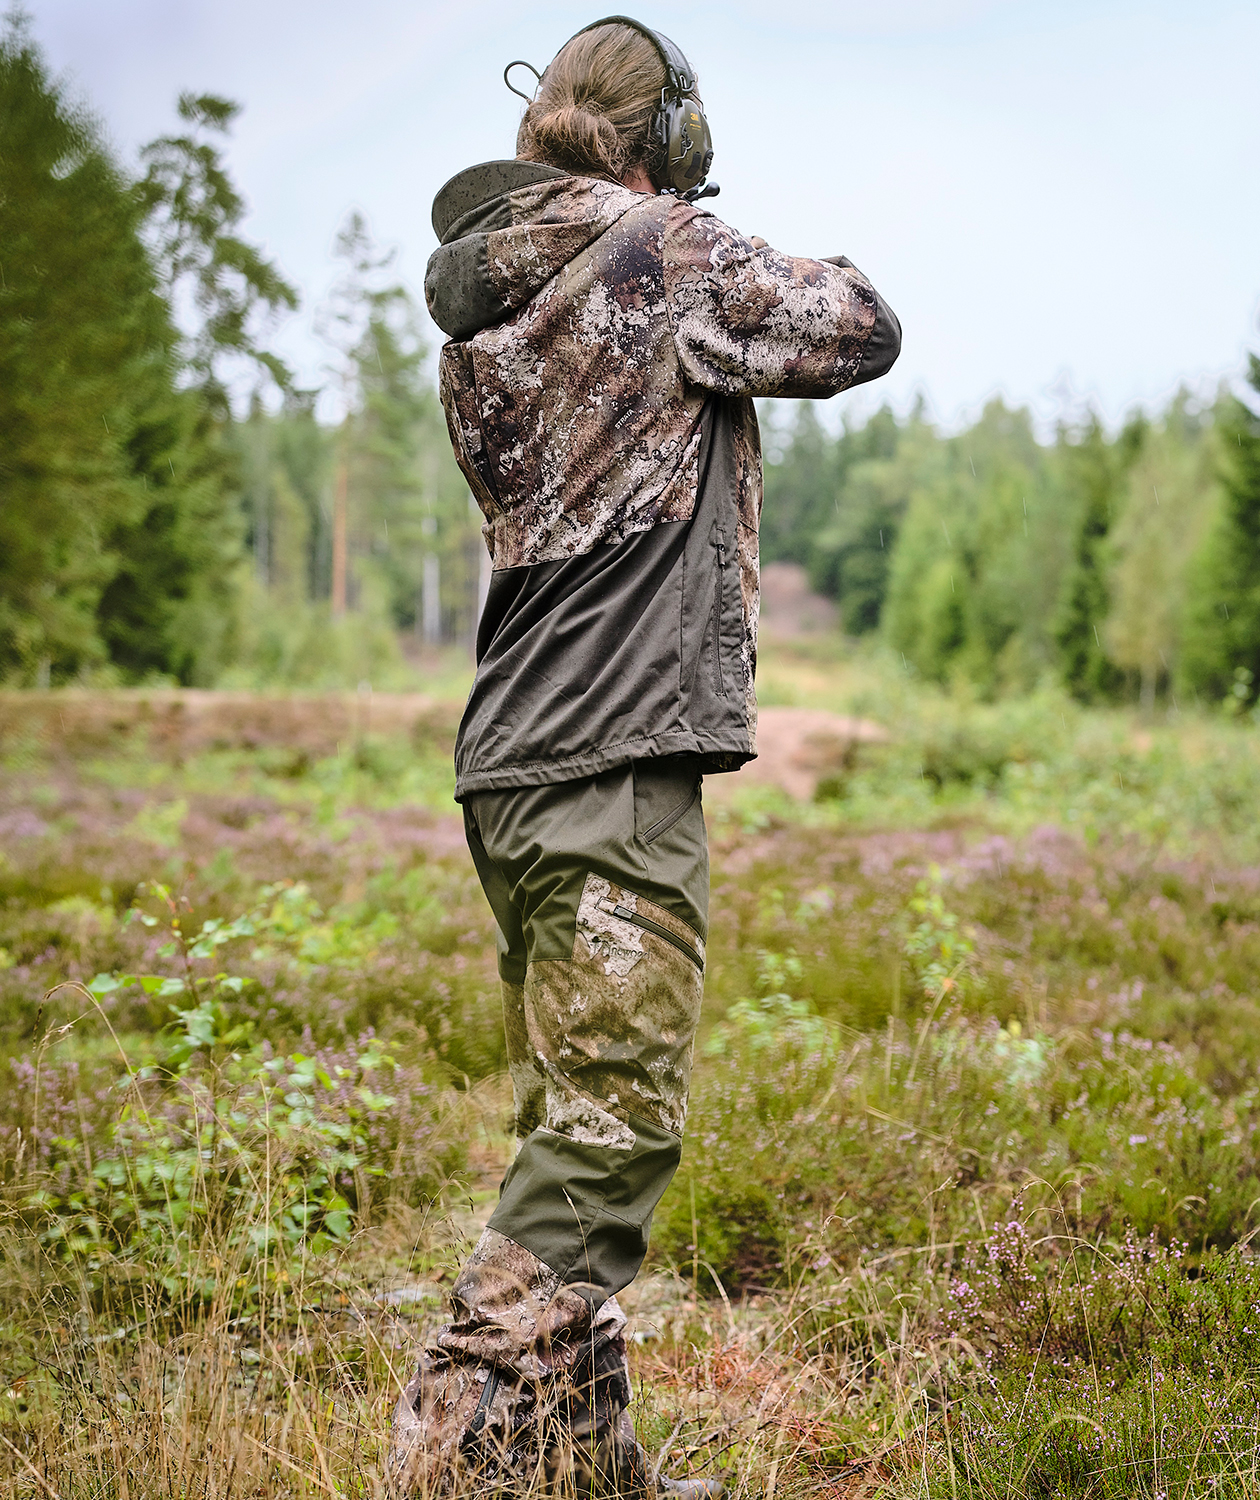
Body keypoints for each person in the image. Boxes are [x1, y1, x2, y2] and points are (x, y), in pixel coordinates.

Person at [388, 15, 900, 1496]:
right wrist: (717, 229)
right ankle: (445, 1446)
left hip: (515, 763)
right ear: (659, 137)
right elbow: (860, 324)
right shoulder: (662, 255)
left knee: (574, 1111)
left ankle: (577, 1464)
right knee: (610, 1141)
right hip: (613, 760)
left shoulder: (497, 291)